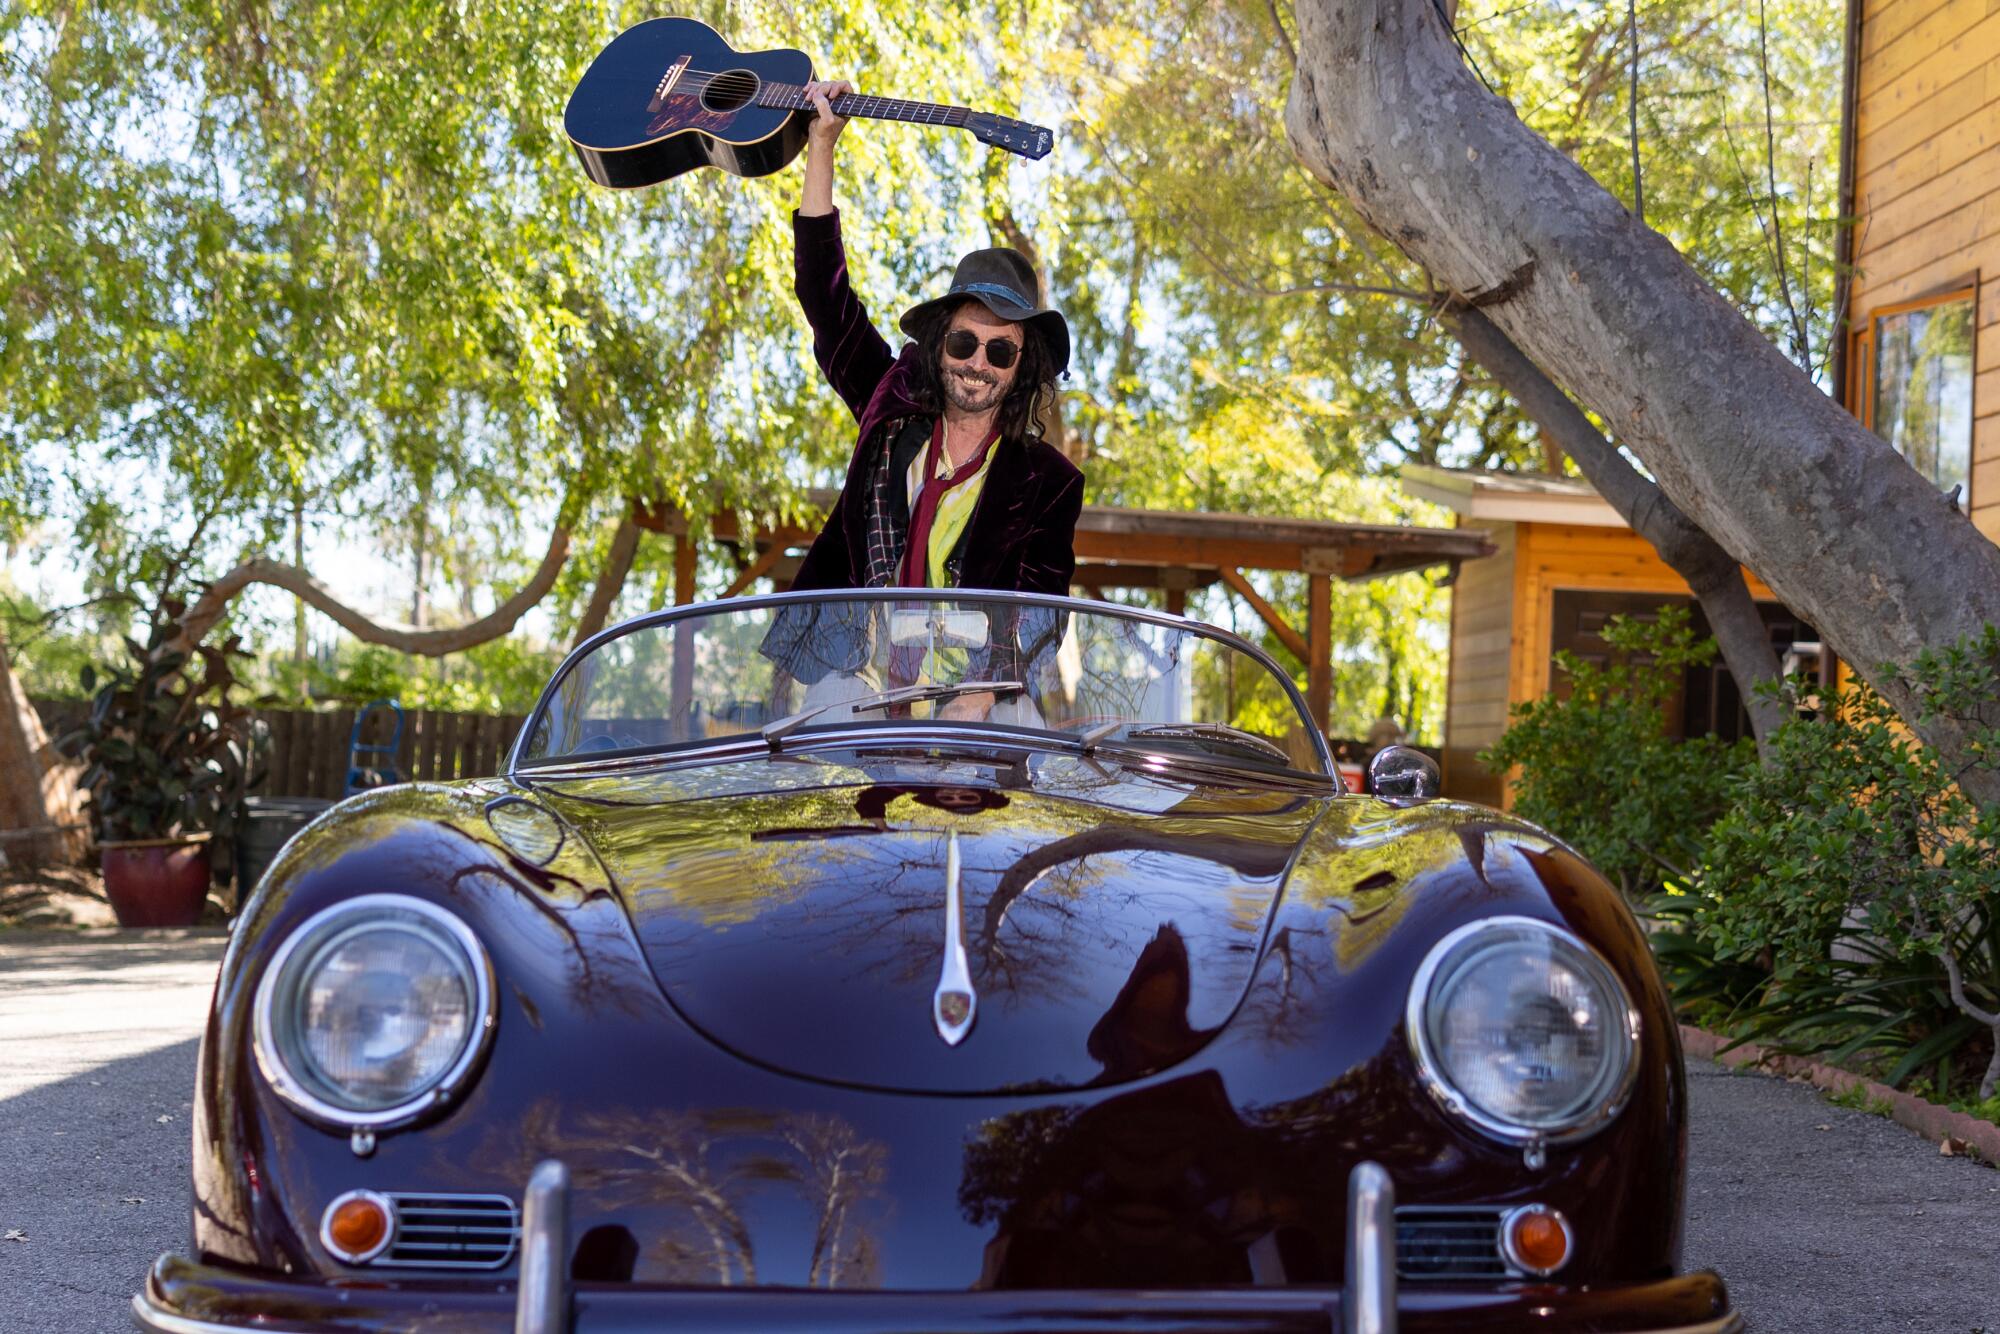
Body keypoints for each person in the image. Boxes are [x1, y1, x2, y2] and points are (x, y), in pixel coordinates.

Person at [787, 78, 1083, 595]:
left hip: (973, 678)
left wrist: (988, 677)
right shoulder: (890, 399)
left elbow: (1040, 620)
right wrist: (821, 147)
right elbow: (823, 296)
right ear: (939, 344)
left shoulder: (1050, 483)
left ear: (1022, 367)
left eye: (1000, 350)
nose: (978, 363)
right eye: (964, 343)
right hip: (856, 667)